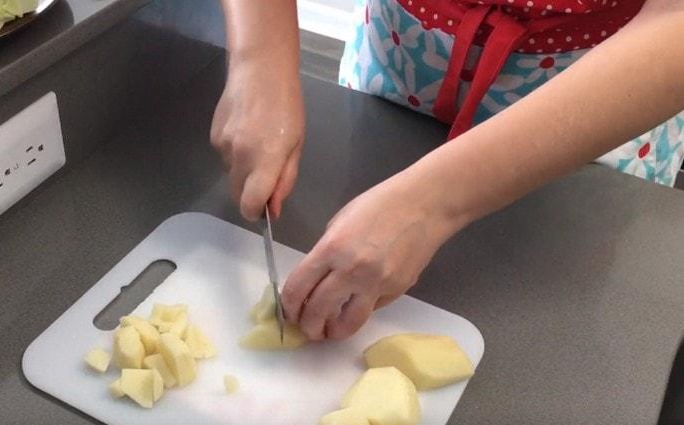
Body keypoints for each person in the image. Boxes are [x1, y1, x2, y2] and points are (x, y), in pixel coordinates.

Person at [210, 0, 684, 341]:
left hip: (597, 96)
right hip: (401, 53)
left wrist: (431, 204)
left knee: (542, 331)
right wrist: (259, 59)